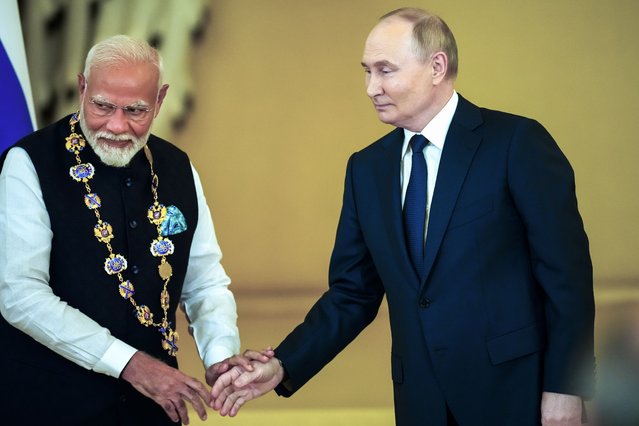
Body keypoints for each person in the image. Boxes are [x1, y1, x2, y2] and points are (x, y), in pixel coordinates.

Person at [210, 8, 595, 426]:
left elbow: (566, 277)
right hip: (421, 402)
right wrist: (283, 363)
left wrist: (566, 386)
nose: (372, 87)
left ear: (436, 66)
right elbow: (352, 294)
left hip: (515, 394)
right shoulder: (366, 169)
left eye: (385, 70)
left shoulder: (516, 143)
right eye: (367, 72)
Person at [0, 35, 263, 425]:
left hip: (154, 408)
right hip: (50, 405)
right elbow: (20, 294)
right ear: (82, 88)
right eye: (102, 106)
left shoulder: (177, 167)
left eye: (136, 110)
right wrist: (132, 364)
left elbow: (205, 282)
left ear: (160, 100)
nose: (117, 125)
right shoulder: (28, 163)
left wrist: (220, 354)